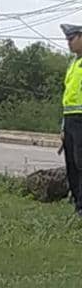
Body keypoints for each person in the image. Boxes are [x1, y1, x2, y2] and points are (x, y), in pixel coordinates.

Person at [60, 24, 82, 217]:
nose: (68, 43)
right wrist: (62, 126)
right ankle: (77, 203)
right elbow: (68, 96)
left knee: (81, 162)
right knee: (72, 164)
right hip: (70, 120)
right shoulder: (73, 64)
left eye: (71, 39)